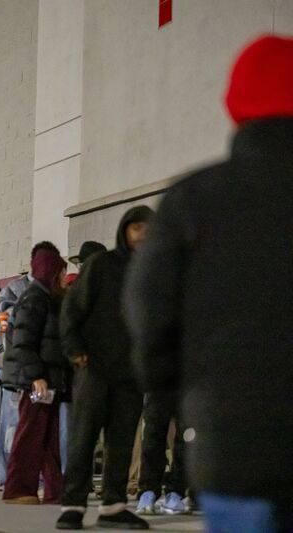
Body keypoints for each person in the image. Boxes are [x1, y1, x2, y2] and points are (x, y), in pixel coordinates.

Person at [124, 35, 293, 533]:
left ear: (234, 104)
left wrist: (175, 388)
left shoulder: (192, 200)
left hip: (233, 440)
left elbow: (149, 308)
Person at [55, 206, 154, 530]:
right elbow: (71, 309)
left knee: (122, 441)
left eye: (149, 229)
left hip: (130, 374)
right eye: (137, 228)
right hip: (93, 368)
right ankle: (73, 505)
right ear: (125, 230)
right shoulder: (102, 265)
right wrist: (75, 351)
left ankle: (113, 506)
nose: (143, 235)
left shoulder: (153, 271)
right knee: (83, 438)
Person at [0, 241, 59, 491]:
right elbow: (6, 323)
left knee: (37, 427)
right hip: (19, 370)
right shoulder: (16, 290)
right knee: (13, 425)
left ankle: (36, 477)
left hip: (42, 370)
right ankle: (3, 477)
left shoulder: (51, 291)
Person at [2, 247, 70, 505]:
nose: (64, 277)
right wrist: (36, 377)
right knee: (30, 435)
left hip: (48, 381)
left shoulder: (47, 298)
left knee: (47, 437)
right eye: (61, 272)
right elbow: (23, 342)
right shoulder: (35, 299)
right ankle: (17, 488)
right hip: (37, 381)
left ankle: (55, 490)